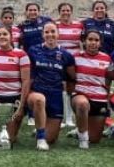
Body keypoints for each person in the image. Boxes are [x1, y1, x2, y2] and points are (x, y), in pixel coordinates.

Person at [25, 22, 77, 151]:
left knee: (52, 139)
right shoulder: (33, 50)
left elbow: (72, 77)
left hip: (55, 95)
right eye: (47, 32)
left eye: (53, 31)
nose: (50, 35)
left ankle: (41, 130)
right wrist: (24, 97)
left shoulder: (66, 55)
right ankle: (41, 138)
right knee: (39, 100)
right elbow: (27, 76)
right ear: (42, 34)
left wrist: (72, 95)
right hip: (37, 92)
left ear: (58, 34)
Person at [0, 26, 30, 149]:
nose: (2, 37)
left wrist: (21, 106)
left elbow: (26, 81)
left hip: (14, 98)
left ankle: (7, 129)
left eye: (5, 34)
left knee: (10, 139)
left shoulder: (21, 55)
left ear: (11, 37)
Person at [73, 30, 114, 149]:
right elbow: (69, 76)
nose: (93, 43)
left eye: (96, 40)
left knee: (95, 139)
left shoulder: (107, 58)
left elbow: (109, 78)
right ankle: (83, 139)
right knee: (82, 104)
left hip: (99, 100)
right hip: (81, 95)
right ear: (84, 41)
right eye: (90, 39)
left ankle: (80, 130)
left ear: (100, 43)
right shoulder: (75, 57)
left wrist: (106, 98)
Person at [55, 3, 84, 130]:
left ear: (71, 11)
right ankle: (61, 117)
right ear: (59, 12)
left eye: (68, 10)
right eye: (63, 10)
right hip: (59, 60)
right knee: (61, 88)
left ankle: (69, 118)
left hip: (74, 61)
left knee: (71, 88)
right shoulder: (55, 25)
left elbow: (82, 42)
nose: (65, 12)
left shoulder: (79, 25)